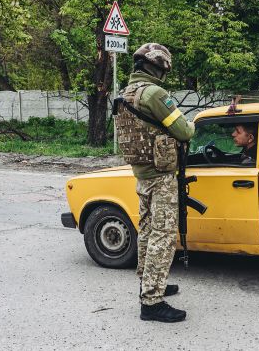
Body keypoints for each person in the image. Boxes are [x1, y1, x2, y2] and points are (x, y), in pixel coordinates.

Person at [114, 43, 195, 323]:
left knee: (147, 230)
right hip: (161, 176)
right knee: (163, 234)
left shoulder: (126, 94)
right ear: (159, 69)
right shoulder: (155, 94)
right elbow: (184, 130)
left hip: (142, 173)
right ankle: (151, 302)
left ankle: (149, 282)